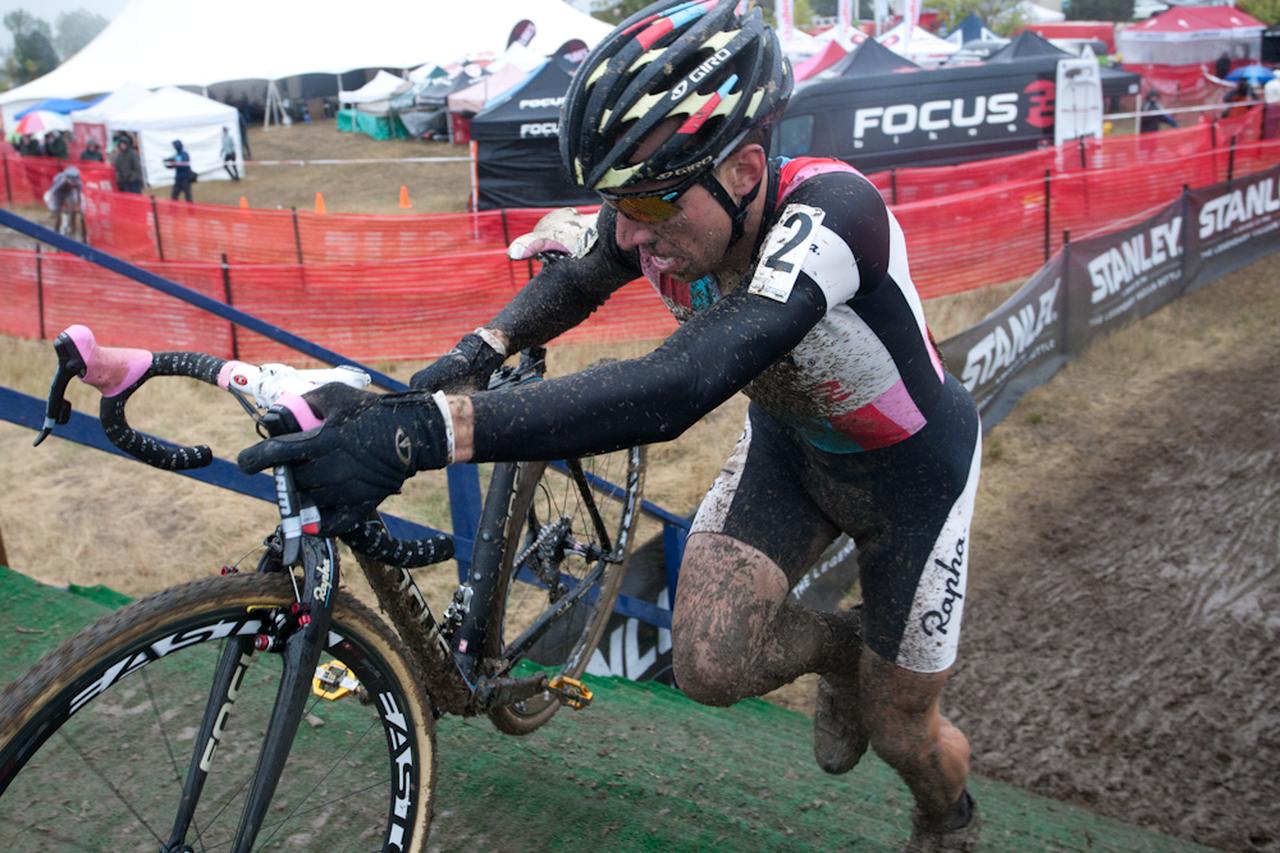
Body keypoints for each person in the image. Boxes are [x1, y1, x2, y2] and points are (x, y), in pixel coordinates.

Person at [236, 2, 984, 848]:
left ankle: (946, 818)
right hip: (793, 450)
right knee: (708, 664)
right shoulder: (672, 202)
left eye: (650, 208)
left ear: (743, 170)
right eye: (614, 202)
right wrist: (476, 349)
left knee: (903, 734)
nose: (630, 233)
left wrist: (424, 432)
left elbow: (676, 387)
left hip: (913, 480)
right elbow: (584, 274)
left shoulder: (832, 215)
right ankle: (842, 650)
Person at [43, 165, 82, 234]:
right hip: (57, 194)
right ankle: (56, 232)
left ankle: (73, 230)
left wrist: (80, 205)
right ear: (66, 177)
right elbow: (51, 192)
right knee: (57, 216)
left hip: (69, 192)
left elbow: (79, 194)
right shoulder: (60, 180)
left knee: (73, 211)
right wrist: (52, 208)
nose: (73, 183)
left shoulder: (78, 182)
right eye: (71, 181)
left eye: (74, 181)